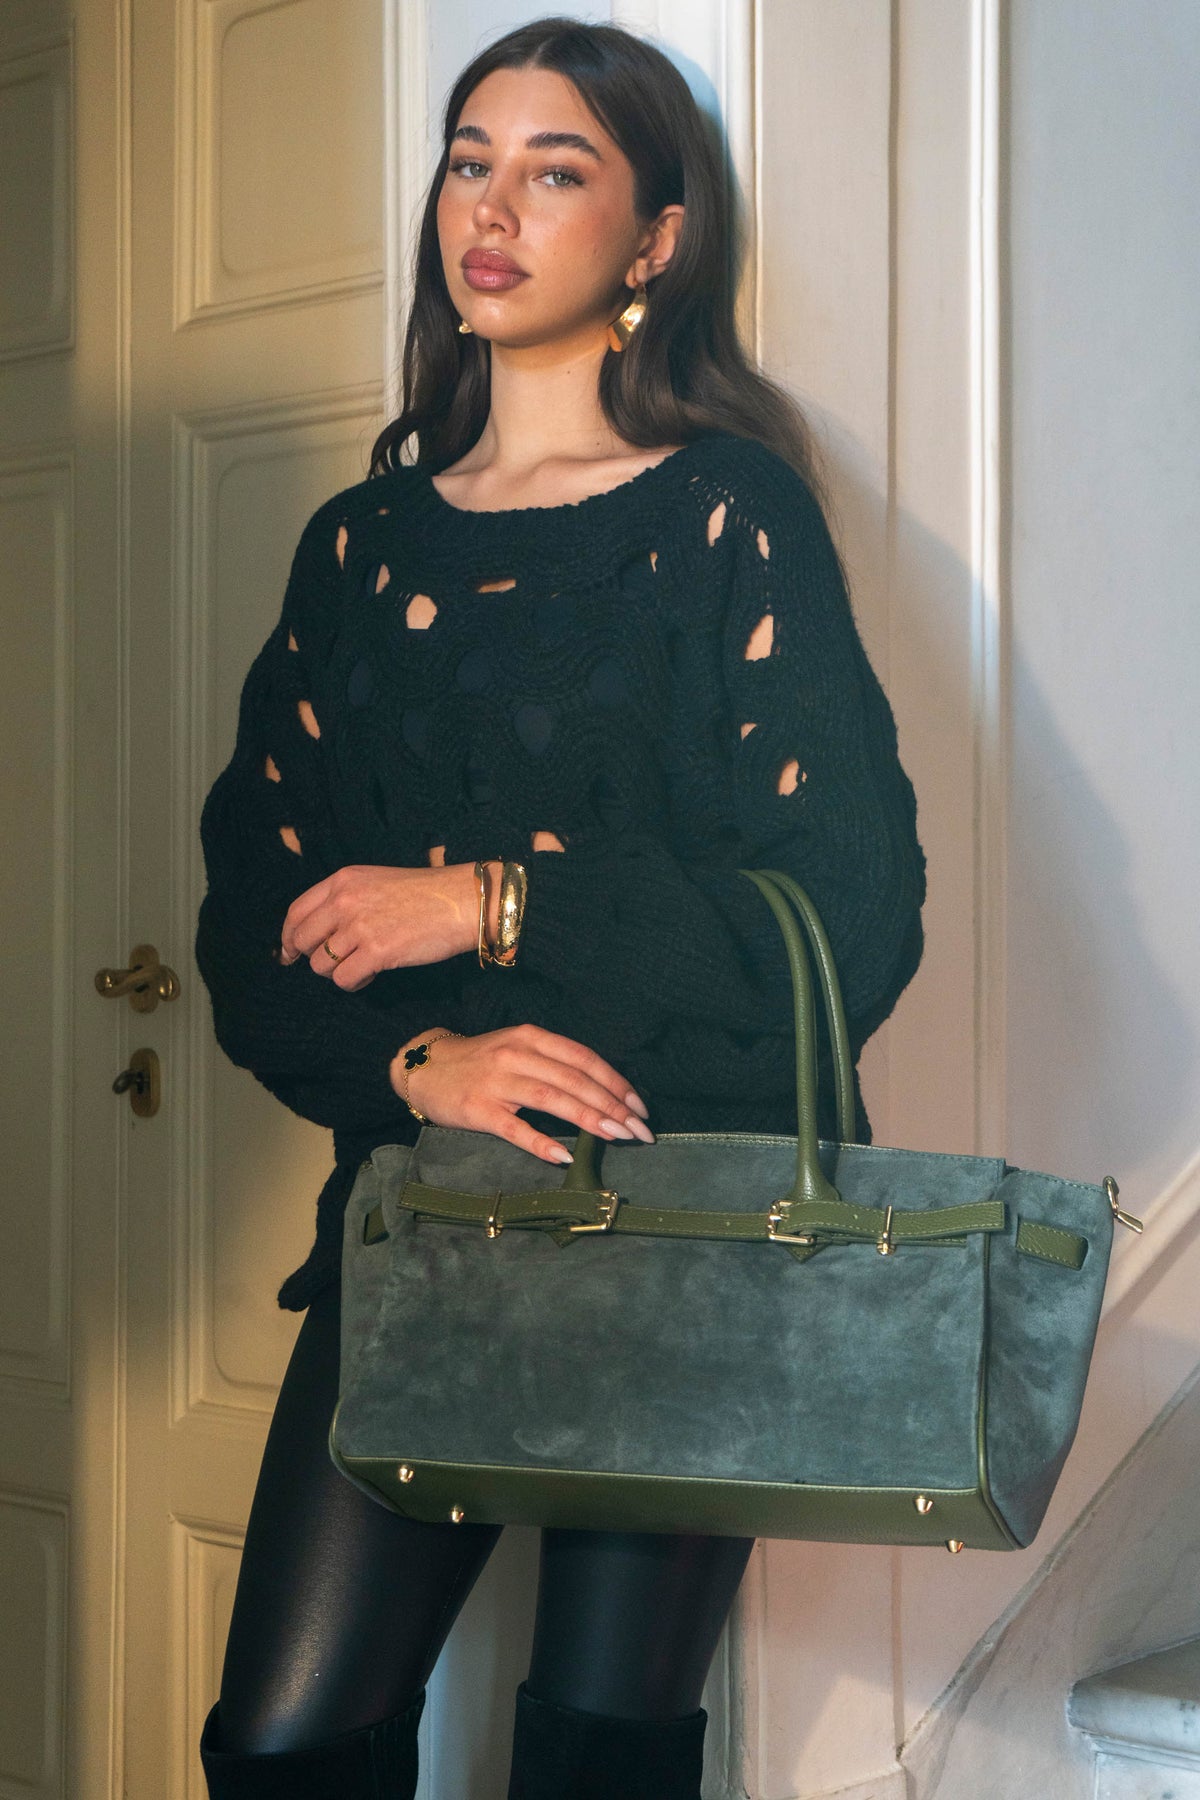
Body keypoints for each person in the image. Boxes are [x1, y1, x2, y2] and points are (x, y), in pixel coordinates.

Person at [193, 16, 925, 1799]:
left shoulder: (730, 517)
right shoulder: (361, 548)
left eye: (555, 169)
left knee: (601, 1756)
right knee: (288, 1738)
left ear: (657, 239)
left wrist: (491, 904)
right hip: (425, 1218)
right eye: (470, 161)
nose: (492, 208)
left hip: (691, 1221)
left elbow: (852, 916)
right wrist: (419, 1065)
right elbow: (251, 927)